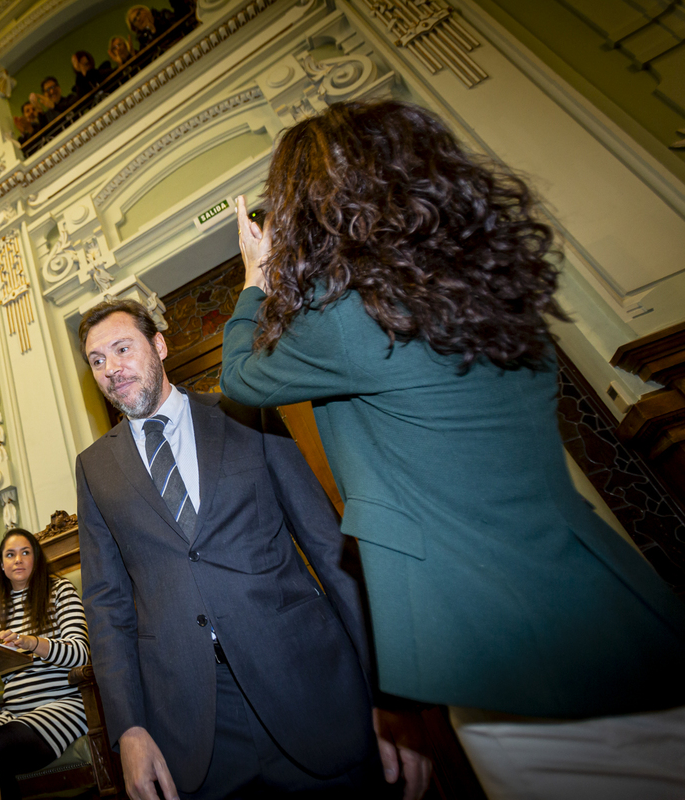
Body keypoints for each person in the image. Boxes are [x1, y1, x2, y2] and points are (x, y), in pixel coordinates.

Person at [220, 99, 685, 799]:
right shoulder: (493, 292)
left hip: (505, 651)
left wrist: (256, 282)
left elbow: (240, 377)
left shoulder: (349, 318)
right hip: (621, 616)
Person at [75, 299, 424, 800]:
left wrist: (390, 694)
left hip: (308, 688)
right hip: (194, 726)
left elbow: (328, 548)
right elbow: (106, 606)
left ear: (159, 346)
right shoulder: (95, 468)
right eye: (97, 360)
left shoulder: (243, 412)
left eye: (122, 348)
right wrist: (128, 729)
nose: (112, 368)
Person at [0, 529, 90, 800]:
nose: (17, 559)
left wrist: (31, 642)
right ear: (2, 566)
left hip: (61, 705)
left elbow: (81, 653)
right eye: (10, 554)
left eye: (25, 552)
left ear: (36, 558)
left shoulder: (60, 591)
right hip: (12, 712)